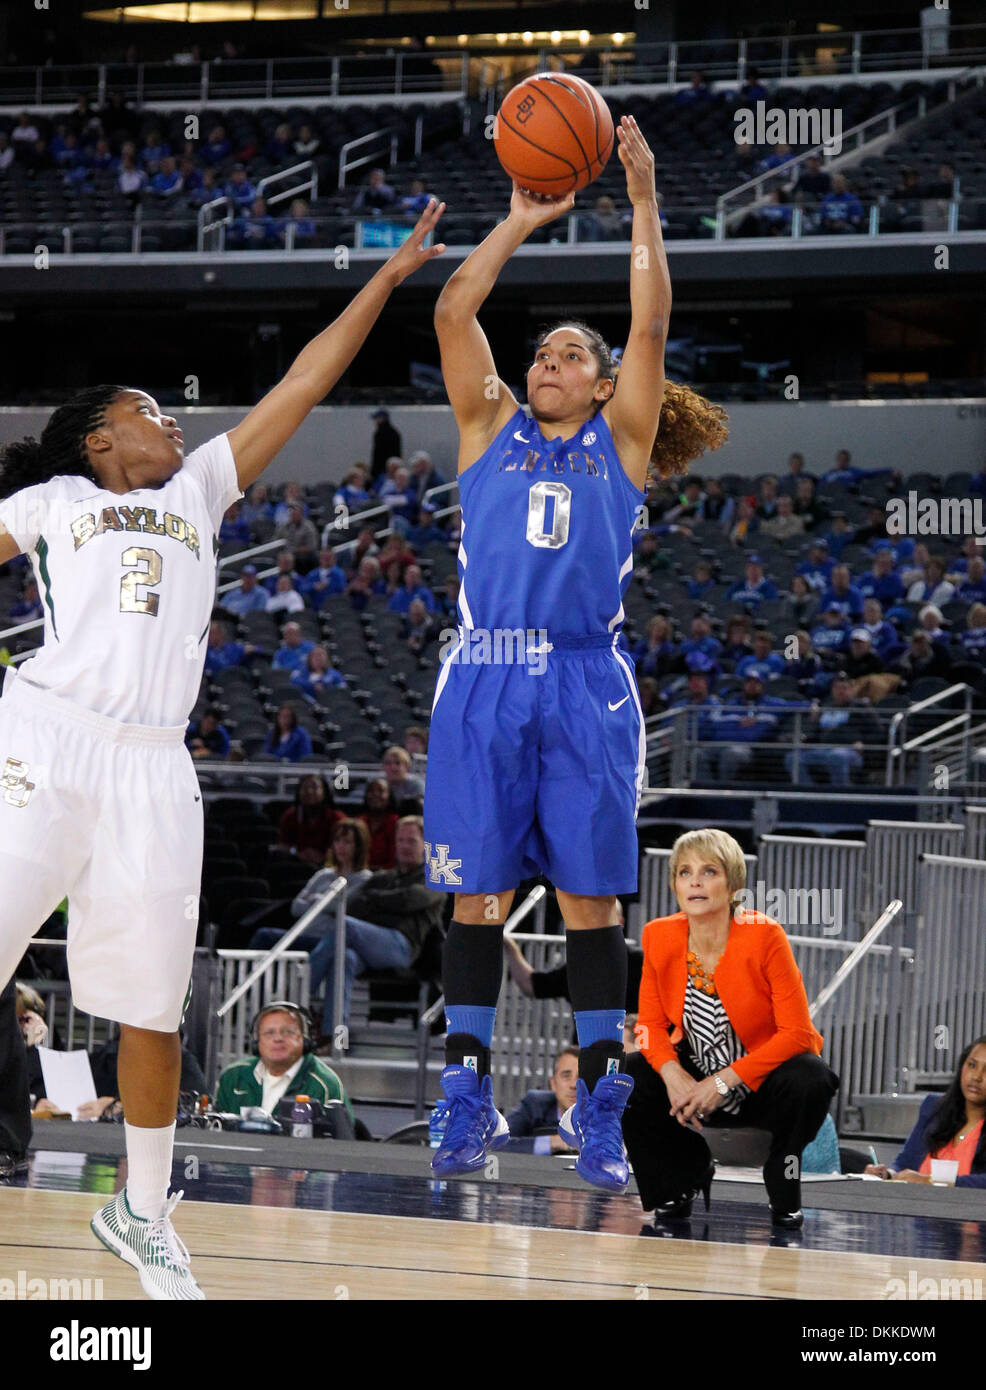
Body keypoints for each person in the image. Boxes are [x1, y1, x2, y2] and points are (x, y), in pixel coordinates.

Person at [0, 200, 444, 1298]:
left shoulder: (200, 490)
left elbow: (302, 382)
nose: (173, 424)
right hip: (47, 740)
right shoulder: (52, 498)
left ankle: (141, 1211)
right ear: (100, 438)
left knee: (153, 1007)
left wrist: (384, 283)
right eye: (150, 412)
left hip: (156, 764)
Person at [424, 115, 729, 1190]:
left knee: (591, 901)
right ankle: (461, 1093)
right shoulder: (483, 427)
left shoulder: (621, 440)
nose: (543, 359)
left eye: (566, 353)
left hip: (583, 675)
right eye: (538, 351)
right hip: (483, 671)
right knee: (475, 896)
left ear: (601, 384)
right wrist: (513, 221)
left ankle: (602, 1101)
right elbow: (454, 308)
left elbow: (649, 322)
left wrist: (643, 201)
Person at [622, 829, 838, 1229]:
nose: (696, 881)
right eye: (684, 873)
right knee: (629, 1074)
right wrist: (672, 1074)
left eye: (709, 871)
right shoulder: (659, 935)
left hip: (759, 1083)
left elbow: (801, 1035)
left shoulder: (764, 935)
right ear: (674, 885)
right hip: (693, 1079)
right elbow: (650, 1027)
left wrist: (723, 1082)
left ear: (733, 884)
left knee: (812, 1075)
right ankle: (679, 1179)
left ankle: (782, 1174)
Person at [308, 816, 445, 1038]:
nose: (404, 846)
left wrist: (375, 903)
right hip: (370, 946)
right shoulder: (382, 878)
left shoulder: (435, 878)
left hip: (403, 949)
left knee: (346, 927)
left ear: (426, 844)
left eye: (411, 841)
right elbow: (353, 905)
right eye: (400, 841)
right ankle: (331, 1034)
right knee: (345, 958)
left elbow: (409, 900)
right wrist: (385, 906)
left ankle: (297, 1000)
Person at [865, 1036, 986, 1188]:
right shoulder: (934, 1107)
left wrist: (932, 1181)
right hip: (916, 1205)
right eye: (972, 1065)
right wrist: (887, 1174)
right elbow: (906, 1162)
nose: (976, 1077)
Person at [213, 1002, 353, 1123]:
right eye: (269, 1033)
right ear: (257, 1043)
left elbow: (342, 1142)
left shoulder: (325, 1084)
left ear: (304, 1040)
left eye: (288, 1032)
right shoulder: (232, 1077)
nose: (278, 1038)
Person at [250, 819, 373, 953]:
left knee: (265, 937)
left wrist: (314, 899)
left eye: (347, 842)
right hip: (303, 934)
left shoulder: (364, 878)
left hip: (329, 941)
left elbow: (343, 906)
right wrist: (327, 904)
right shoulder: (323, 875)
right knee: (263, 934)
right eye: (337, 841)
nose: (340, 846)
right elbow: (296, 907)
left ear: (359, 846)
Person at [505, 1048, 580, 1154]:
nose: (574, 1085)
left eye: (581, 1078)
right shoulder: (534, 1105)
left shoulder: (604, 1114)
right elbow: (495, 1142)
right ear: (553, 1084)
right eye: (566, 1076)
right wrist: (553, 1142)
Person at [276, 773, 344, 864]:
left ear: (325, 792)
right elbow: (283, 845)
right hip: (297, 863)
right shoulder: (290, 815)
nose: (309, 791)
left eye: (314, 787)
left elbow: (345, 847)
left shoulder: (337, 818)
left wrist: (325, 856)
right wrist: (297, 854)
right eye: (304, 788)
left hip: (329, 864)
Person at [359, 777, 399, 869]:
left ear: (389, 796)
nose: (375, 794)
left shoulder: (396, 823)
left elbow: (396, 859)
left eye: (381, 791)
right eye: (371, 791)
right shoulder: (361, 821)